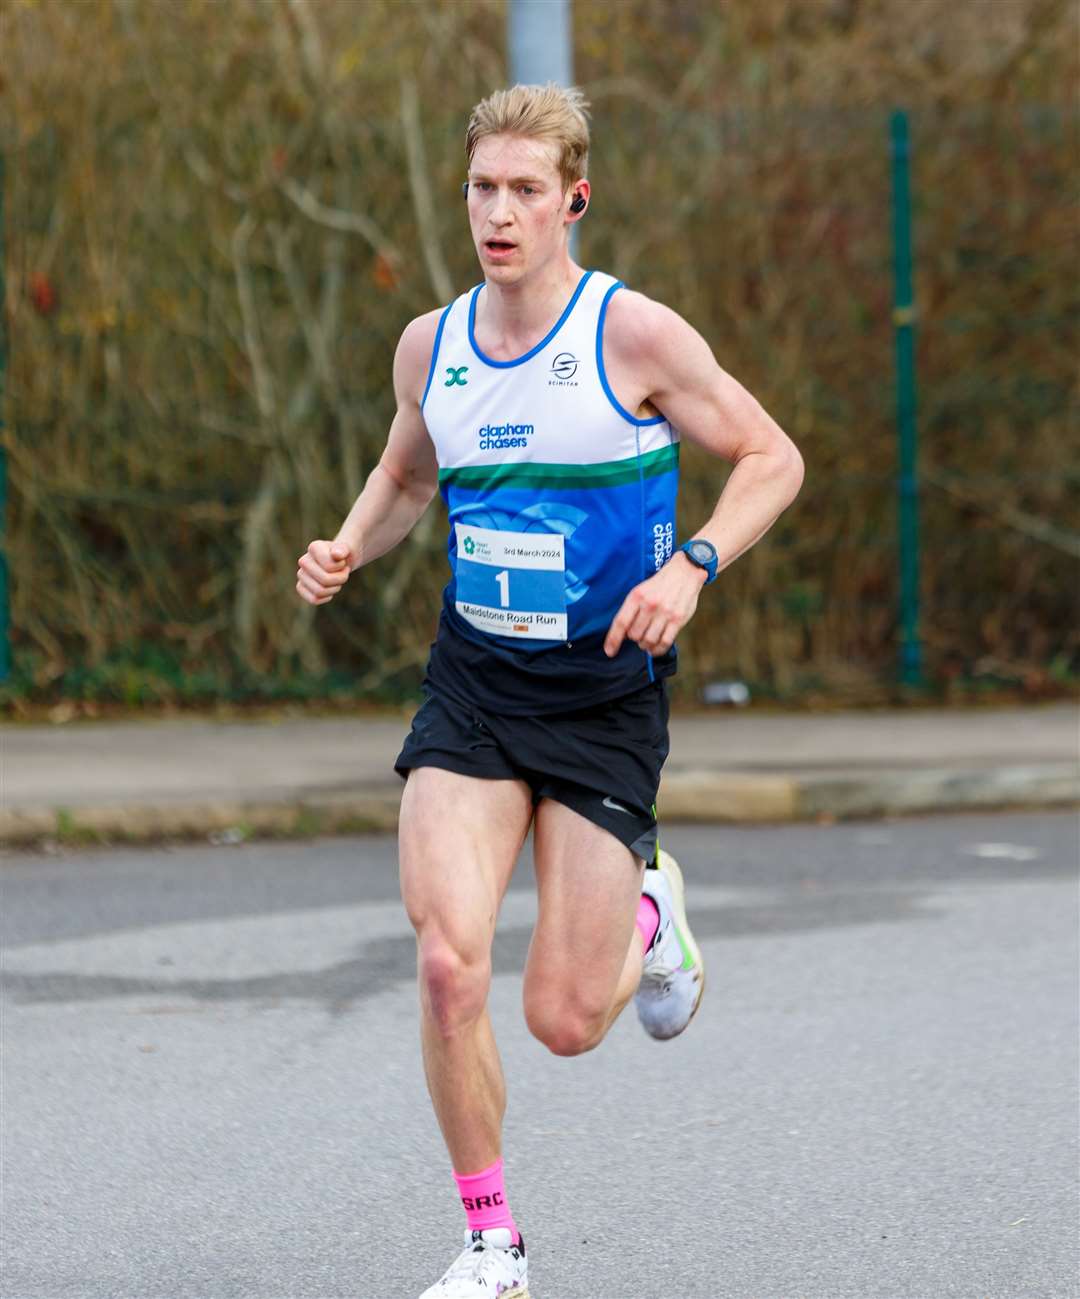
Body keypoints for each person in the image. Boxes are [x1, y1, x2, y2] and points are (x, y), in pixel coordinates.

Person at [296, 83, 803, 1299]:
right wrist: (352, 541)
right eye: (483, 188)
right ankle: (491, 1244)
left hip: (602, 695)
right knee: (444, 964)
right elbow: (408, 469)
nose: (501, 211)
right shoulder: (433, 343)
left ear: (574, 198)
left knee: (566, 1021)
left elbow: (772, 459)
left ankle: (650, 908)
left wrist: (693, 566)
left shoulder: (632, 337)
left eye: (527, 189)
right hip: (475, 686)